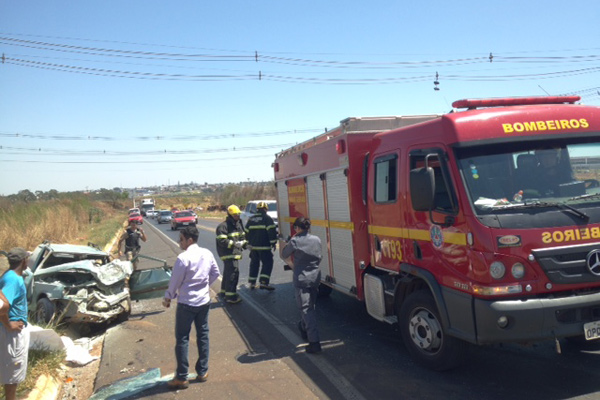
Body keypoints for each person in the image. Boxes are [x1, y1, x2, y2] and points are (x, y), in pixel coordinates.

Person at [163, 226, 221, 390]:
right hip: (203, 302)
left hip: (186, 304)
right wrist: (204, 286)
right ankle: (202, 372)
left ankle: (182, 377)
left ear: (189, 240)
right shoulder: (207, 253)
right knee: (203, 335)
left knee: (182, 338)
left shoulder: (183, 258)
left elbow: (175, 282)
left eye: (181, 239)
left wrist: (168, 297)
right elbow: (215, 273)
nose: (179, 242)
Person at [280, 217, 323, 354]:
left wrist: (289, 241)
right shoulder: (316, 239)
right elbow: (320, 256)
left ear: (297, 228)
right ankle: (304, 327)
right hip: (315, 277)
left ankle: (314, 342)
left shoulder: (295, 241)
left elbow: (284, 254)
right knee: (311, 305)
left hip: (302, 278)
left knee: (306, 310)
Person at [0, 248, 30, 400]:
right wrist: (9, 325)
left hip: (10, 331)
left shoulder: (9, 275)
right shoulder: (13, 280)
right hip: (11, 334)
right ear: (24, 261)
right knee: (11, 374)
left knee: (10, 372)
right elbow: (1, 307)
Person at [215, 205, 247, 304]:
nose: (237, 216)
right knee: (233, 273)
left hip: (235, 252)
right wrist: (234, 244)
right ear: (230, 215)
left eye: (238, 214)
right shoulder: (223, 226)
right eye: (235, 215)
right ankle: (231, 296)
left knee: (228, 273)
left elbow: (242, 236)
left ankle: (224, 293)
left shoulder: (238, 224)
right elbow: (222, 241)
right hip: (227, 253)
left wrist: (245, 244)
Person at [245, 201, 278, 290]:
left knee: (254, 264)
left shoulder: (251, 219)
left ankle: (252, 283)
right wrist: (273, 243)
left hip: (253, 247)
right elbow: (271, 232)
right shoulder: (267, 218)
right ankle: (263, 282)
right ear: (265, 209)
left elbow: (246, 232)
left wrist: (248, 243)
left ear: (257, 209)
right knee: (267, 263)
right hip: (264, 247)